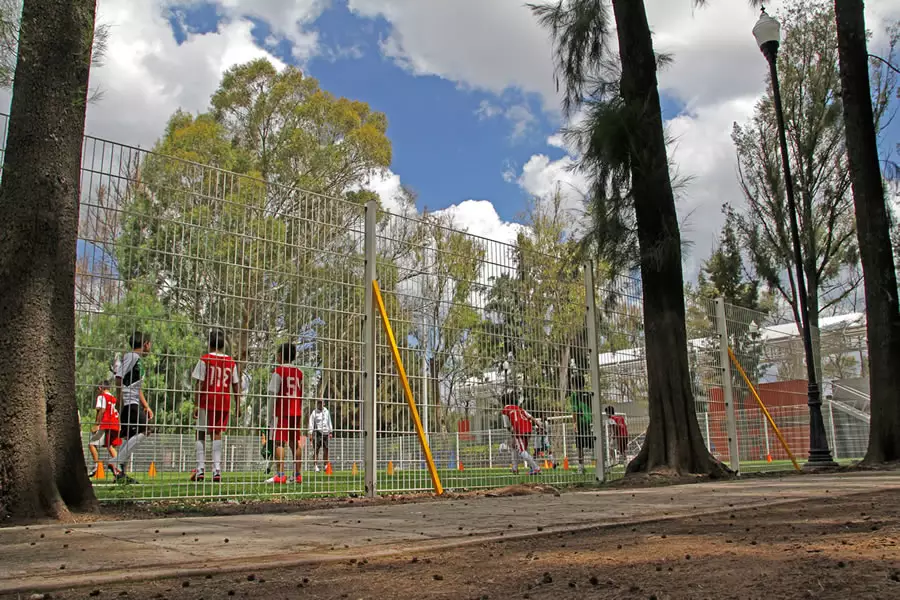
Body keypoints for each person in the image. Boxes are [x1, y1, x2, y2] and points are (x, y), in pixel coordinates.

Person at [190, 329, 241, 483]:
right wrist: (238, 405)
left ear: (209, 343)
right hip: (223, 402)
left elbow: (199, 383)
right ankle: (216, 470)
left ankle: (200, 469)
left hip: (207, 401)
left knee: (200, 433)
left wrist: (196, 404)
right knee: (217, 434)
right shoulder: (231, 362)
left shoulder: (205, 359)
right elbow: (236, 385)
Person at [113, 331, 154, 484]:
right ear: (145, 344)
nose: (150, 346)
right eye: (149, 343)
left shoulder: (137, 361)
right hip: (129, 403)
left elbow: (137, 387)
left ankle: (120, 474)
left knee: (128, 437)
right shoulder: (132, 357)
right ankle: (117, 461)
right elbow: (119, 376)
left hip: (133, 403)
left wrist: (146, 406)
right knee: (146, 429)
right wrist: (119, 399)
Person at [266, 342, 304, 484]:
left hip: (281, 411)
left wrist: (269, 416)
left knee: (279, 442)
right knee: (295, 443)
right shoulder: (300, 373)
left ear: (281, 355)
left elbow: (272, 395)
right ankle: (297, 475)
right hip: (296, 411)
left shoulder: (278, 372)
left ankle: (280, 475)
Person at [500, 393, 541, 476]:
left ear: (503, 402)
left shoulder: (505, 410)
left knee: (521, 451)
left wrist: (512, 432)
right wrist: (538, 425)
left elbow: (507, 426)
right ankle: (515, 468)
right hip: (528, 429)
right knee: (514, 446)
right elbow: (530, 417)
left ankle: (536, 468)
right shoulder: (519, 408)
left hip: (519, 430)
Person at [88, 380, 121, 478]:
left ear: (100, 388)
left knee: (91, 444)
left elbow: (102, 410)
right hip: (115, 424)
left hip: (105, 423)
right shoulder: (113, 398)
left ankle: (96, 466)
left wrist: (97, 424)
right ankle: (118, 469)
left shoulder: (102, 397)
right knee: (109, 446)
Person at [568, 371, 593, 475]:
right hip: (590, 422)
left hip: (581, 422)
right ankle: (601, 464)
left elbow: (575, 411)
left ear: (574, 384)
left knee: (580, 446)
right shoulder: (590, 394)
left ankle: (580, 467)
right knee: (593, 444)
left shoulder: (574, 395)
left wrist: (574, 423)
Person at [308, 399, 333, 473]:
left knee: (326, 449)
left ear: (324, 404)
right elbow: (311, 423)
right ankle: (315, 466)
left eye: (321, 403)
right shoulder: (314, 412)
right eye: (319, 403)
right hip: (317, 433)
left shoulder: (327, 412)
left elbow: (329, 421)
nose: (320, 404)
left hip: (326, 433)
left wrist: (330, 431)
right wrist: (310, 433)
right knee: (316, 450)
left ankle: (326, 465)